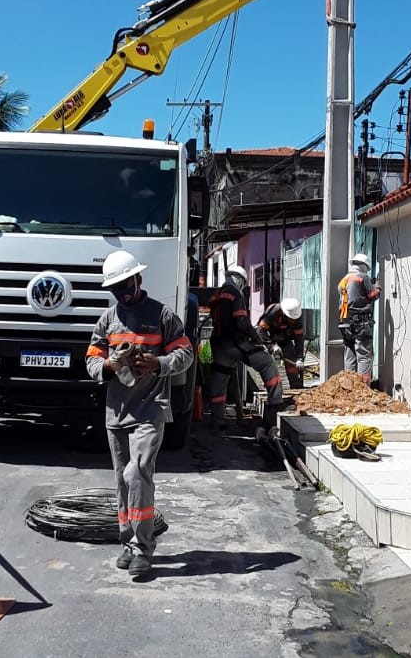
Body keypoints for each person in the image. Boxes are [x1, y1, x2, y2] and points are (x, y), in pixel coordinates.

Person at [86, 248, 193, 579]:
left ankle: (143, 548)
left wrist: (158, 364)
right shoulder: (108, 321)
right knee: (122, 480)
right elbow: (91, 360)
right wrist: (108, 365)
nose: (123, 292)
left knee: (137, 473)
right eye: (116, 288)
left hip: (150, 409)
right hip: (116, 412)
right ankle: (128, 544)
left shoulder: (162, 316)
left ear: (138, 279)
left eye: (126, 285)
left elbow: (186, 353)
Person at [208, 263, 284, 433]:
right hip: (236, 344)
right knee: (267, 363)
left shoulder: (216, 296)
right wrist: (255, 337)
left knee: (219, 383)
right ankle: (276, 404)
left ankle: (217, 421)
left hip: (219, 345)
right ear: (239, 279)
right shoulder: (235, 294)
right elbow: (241, 323)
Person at [338, 252, 382, 384]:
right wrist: (378, 286)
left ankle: (348, 386)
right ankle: (363, 388)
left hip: (345, 323)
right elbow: (373, 295)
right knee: (363, 355)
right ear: (364, 266)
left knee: (350, 354)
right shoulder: (363, 277)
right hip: (360, 323)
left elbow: (353, 296)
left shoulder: (343, 280)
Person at [256, 297, 305, 389]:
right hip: (269, 337)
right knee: (269, 361)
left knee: (291, 357)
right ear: (284, 313)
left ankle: (295, 385)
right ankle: (271, 385)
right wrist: (271, 346)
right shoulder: (273, 312)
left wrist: (299, 358)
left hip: (285, 338)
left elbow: (299, 338)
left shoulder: (298, 317)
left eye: (293, 319)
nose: (292, 321)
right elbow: (260, 331)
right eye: (290, 319)